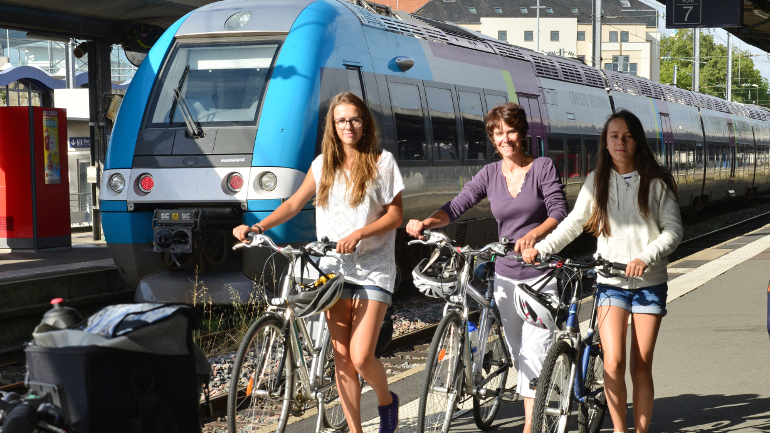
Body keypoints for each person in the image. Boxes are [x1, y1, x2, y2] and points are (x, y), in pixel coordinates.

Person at [233, 92, 404, 433]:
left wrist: (361, 233)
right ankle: (356, 430)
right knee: (341, 359)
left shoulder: (383, 162)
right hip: (332, 269)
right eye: (341, 120)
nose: (348, 126)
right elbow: (294, 203)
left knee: (360, 356)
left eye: (354, 119)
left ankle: (386, 400)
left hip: (373, 267)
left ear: (365, 122)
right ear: (333, 125)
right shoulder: (322, 163)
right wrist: (258, 226)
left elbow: (396, 215)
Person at [405, 102, 567, 433]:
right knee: (520, 354)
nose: (505, 138)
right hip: (506, 276)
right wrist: (427, 222)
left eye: (510, 131)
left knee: (535, 356)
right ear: (492, 138)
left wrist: (533, 236)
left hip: (540, 277)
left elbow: (558, 211)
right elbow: (456, 206)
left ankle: (530, 426)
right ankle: (534, 414)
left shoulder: (543, 167)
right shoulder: (489, 174)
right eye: (498, 133)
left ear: (522, 134)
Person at [523, 110, 683, 433]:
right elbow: (573, 223)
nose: (620, 142)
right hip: (610, 282)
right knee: (612, 362)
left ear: (637, 141)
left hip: (648, 283)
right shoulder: (597, 181)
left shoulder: (656, 182)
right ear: (605, 144)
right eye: (614, 137)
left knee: (640, 365)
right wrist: (542, 248)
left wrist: (646, 256)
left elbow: (673, 231)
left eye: (627, 136)